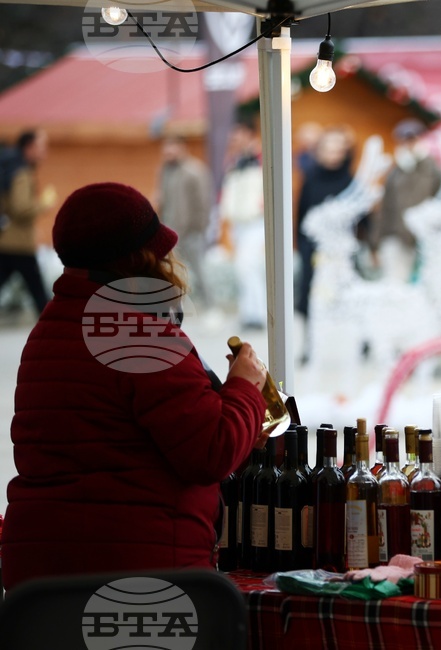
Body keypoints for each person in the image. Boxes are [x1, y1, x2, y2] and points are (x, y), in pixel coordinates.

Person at [0, 182, 268, 592]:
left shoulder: (51, 326)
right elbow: (211, 452)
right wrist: (246, 387)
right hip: (138, 570)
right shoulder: (136, 333)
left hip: (41, 578)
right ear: (139, 258)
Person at [295, 126, 354, 333]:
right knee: (311, 294)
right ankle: (311, 341)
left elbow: (360, 220)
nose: (334, 155)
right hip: (313, 250)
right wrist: (303, 248)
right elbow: (302, 215)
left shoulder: (350, 181)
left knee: (347, 293)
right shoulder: (311, 180)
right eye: (330, 149)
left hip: (342, 251)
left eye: (338, 150)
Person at [369, 118, 441, 283]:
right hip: (396, 236)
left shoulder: (433, 169)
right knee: (396, 282)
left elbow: (440, 201)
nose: (409, 143)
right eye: (405, 139)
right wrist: (375, 243)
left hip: (425, 239)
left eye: (413, 138)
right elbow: (384, 209)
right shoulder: (394, 173)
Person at [0, 128, 57, 317]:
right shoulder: (21, 172)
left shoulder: (9, 167)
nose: (44, 152)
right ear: (29, 147)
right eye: (41, 147)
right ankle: (52, 325)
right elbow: (21, 207)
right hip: (18, 242)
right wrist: (43, 204)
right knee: (38, 292)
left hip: (7, 241)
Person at [218, 119, 266, 329]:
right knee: (243, 268)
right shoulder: (235, 162)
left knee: (249, 266)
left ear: (248, 134)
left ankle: (259, 313)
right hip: (239, 222)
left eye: (237, 136)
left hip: (256, 221)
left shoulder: (262, 158)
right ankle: (249, 312)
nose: (234, 141)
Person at [158, 135, 213, 306]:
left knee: (199, 270)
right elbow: (163, 201)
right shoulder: (165, 171)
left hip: (191, 232)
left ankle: (211, 306)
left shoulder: (195, 170)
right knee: (172, 271)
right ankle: (178, 307)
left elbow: (204, 202)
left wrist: (198, 229)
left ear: (182, 148)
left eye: (171, 149)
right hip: (170, 231)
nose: (168, 153)